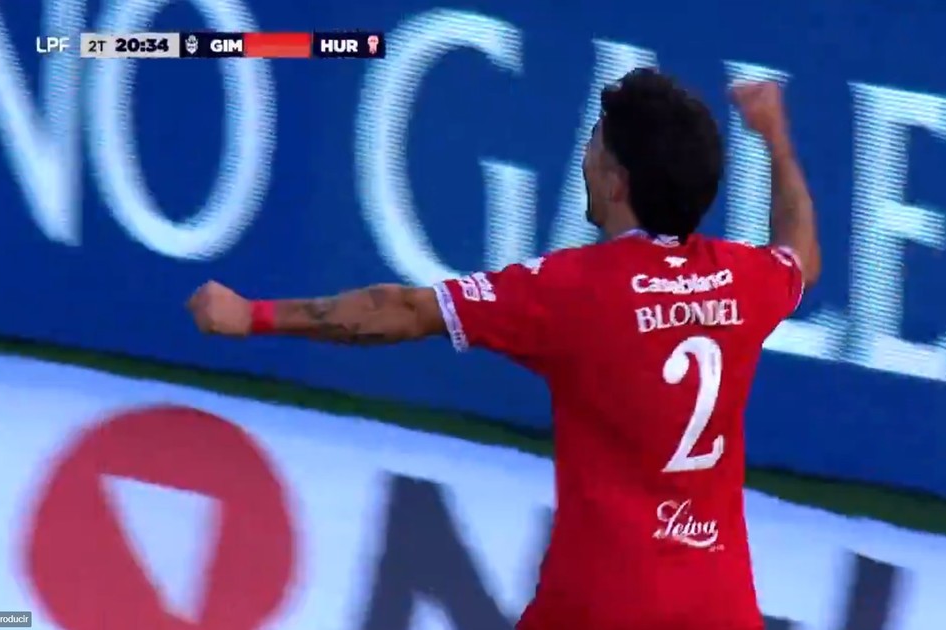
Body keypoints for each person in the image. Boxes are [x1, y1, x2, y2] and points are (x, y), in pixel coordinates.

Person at [187, 68, 819, 630]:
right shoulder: (744, 280)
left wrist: (255, 315)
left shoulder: (573, 291)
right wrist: (775, 137)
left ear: (617, 183)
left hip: (600, 605)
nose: (585, 157)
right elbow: (800, 256)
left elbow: (402, 311)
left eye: (595, 145)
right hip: (718, 606)